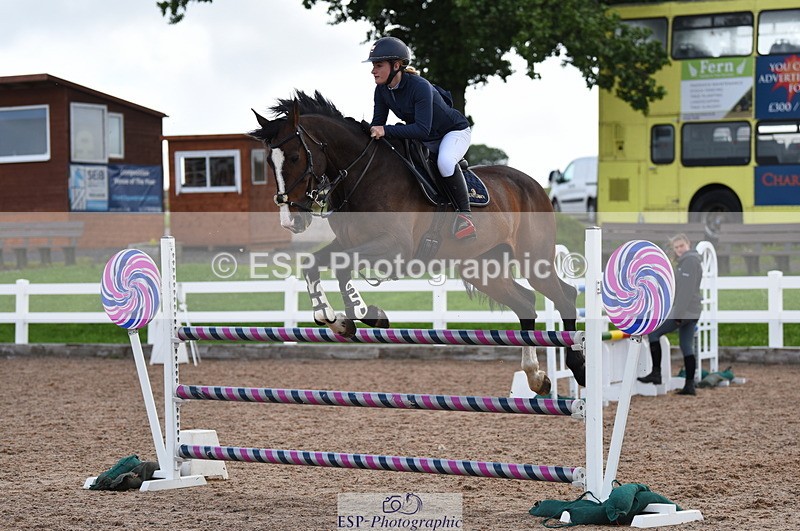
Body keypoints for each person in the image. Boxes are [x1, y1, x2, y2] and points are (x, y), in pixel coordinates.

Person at [365, 36, 476, 240]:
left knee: (444, 162)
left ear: (396, 65)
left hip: (452, 132)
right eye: (373, 65)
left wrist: (386, 131)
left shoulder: (419, 86)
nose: (373, 70)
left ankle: (465, 216)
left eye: (378, 65)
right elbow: (378, 125)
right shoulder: (381, 90)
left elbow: (421, 130)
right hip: (426, 137)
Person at [637, 233, 703, 395]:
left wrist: (678, 315)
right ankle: (689, 385)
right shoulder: (688, 261)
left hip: (685, 310)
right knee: (686, 346)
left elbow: (685, 291)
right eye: (676, 247)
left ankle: (656, 373)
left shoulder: (689, 262)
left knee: (653, 332)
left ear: (688, 244)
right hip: (694, 310)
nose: (679, 249)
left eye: (681, 246)